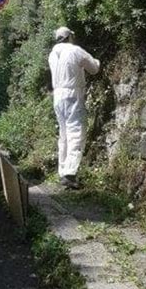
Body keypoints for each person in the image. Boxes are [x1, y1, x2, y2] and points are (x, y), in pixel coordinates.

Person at [48, 26, 100, 189]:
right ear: (69, 36)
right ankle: (70, 174)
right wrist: (97, 61)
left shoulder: (52, 54)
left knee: (63, 134)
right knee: (76, 132)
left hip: (58, 96)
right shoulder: (74, 50)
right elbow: (94, 68)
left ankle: (63, 170)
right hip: (72, 94)